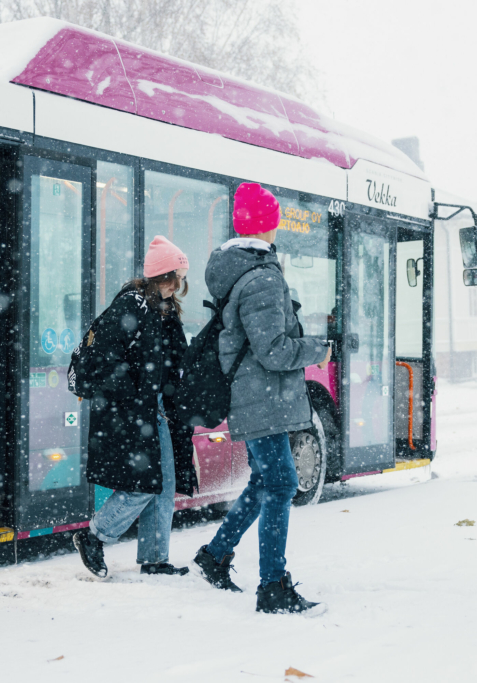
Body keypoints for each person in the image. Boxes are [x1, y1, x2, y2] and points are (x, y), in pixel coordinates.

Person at [191, 183, 331, 614]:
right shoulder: (263, 277)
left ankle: (216, 555)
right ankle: (272, 586)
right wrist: (318, 347)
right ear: (269, 225)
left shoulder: (239, 271)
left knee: (264, 480)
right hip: (263, 398)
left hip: (253, 397)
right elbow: (275, 351)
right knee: (283, 482)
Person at [73, 236, 199, 578]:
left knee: (164, 485)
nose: (182, 283)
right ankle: (95, 536)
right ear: (166, 275)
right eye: (180, 275)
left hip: (157, 411)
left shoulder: (163, 309)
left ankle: (155, 559)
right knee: (142, 485)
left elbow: (173, 361)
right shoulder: (132, 306)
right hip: (132, 411)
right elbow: (103, 359)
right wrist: (133, 393)